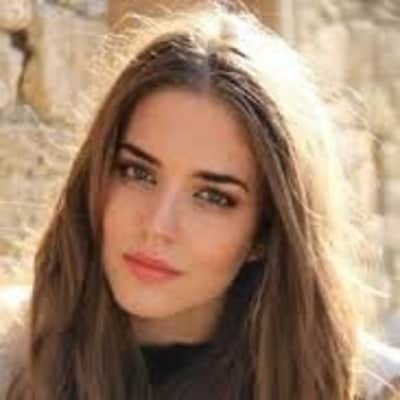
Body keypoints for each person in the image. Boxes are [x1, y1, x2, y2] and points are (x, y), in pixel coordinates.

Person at [0, 3, 399, 400]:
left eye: (212, 197)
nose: (157, 226)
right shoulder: (11, 362)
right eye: (137, 173)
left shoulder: (366, 389)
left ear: (266, 229)